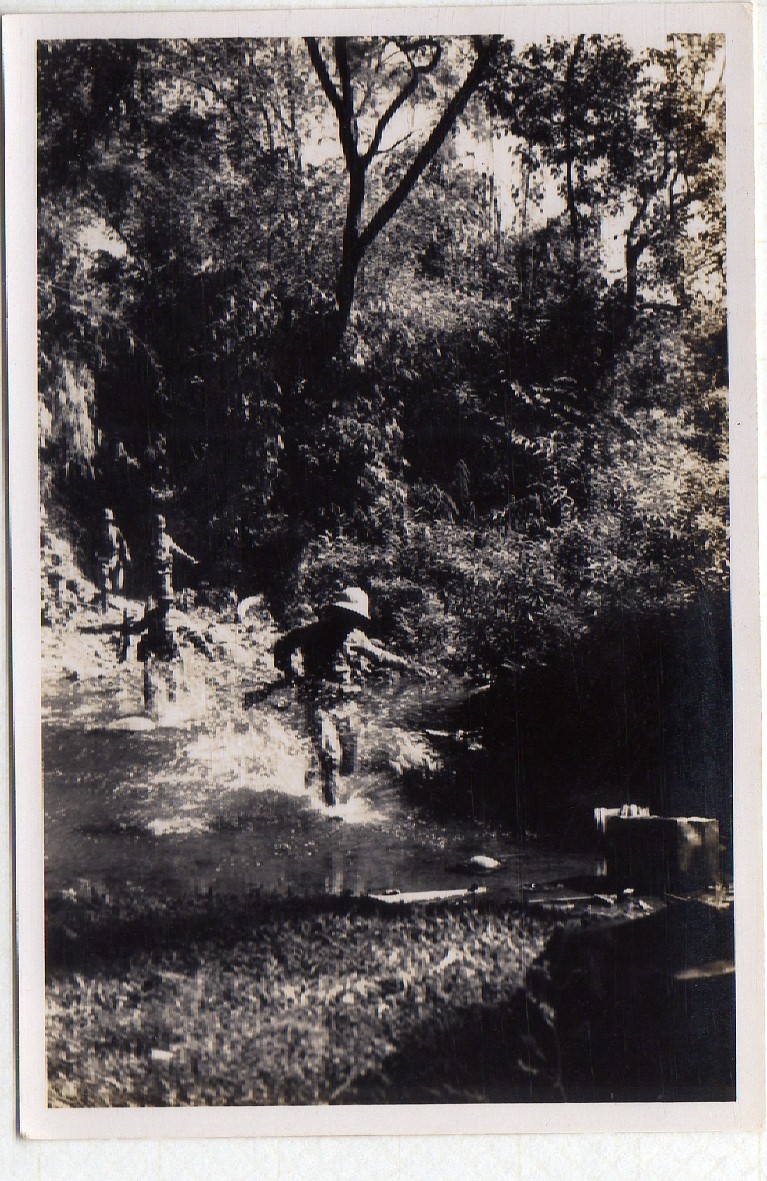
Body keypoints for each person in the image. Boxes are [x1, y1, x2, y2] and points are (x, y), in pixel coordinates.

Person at [271, 586, 417, 807]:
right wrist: (292, 672)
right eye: (347, 615)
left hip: (345, 702)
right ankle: (331, 810)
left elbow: (378, 655)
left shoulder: (355, 637)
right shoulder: (311, 632)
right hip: (317, 701)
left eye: (354, 617)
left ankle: (315, 780)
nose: (350, 621)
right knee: (330, 756)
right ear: (337, 612)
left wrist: (405, 665)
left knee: (348, 761)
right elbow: (282, 647)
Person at [95, 507, 131, 611]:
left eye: (109, 522)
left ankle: (111, 598)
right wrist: (95, 556)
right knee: (104, 584)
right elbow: (93, 545)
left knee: (118, 585)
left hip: (114, 559)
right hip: (103, 559)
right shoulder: (99, 532)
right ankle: (104, 604)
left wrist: (126, 554)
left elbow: (123, 543)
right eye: (105, 522)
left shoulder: (116, 531)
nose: (107, 524)